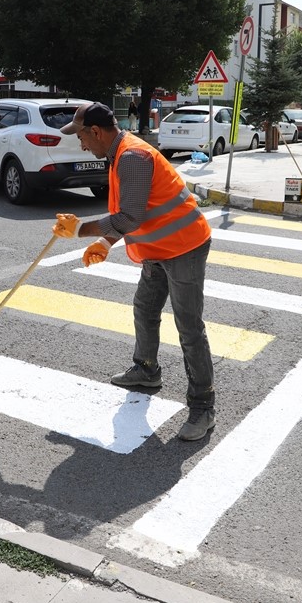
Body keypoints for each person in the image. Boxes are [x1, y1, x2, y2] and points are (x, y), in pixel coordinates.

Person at [52, 102, 215, 442]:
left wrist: (80, 230)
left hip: (184, 246)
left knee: (189, 326)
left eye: (81, 137)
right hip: (159, 248)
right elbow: (134, 212)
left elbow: (130, 217)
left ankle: (203, 407)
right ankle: (146, 370)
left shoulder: (132, 157)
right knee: (145, 307)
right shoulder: (119, 154)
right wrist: (106, 241)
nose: (82, 144)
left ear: (96, 131)